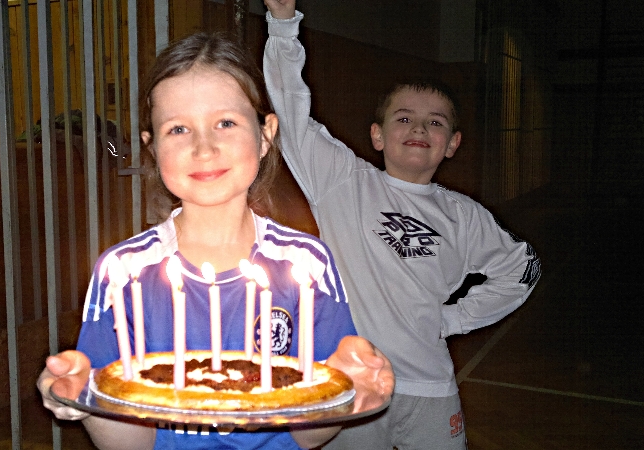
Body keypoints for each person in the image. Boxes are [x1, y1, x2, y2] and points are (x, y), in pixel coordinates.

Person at [37, 32, 395, 450]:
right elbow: (129, 443)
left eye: (225, 123)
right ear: (152, 147)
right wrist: (86, 398)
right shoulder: (123, 272)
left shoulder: (305, 264)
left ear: (266, 134)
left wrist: (346, 390)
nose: (203, 148)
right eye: (178, 129)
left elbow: (307, 435)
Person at [262, 1, 542, 449]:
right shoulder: (342, 182)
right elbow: (292, 115)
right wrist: (282, 25)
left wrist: (455, 317)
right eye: (404, 118)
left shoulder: (463, 215)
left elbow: (522, 268)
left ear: (452, 144)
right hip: (352, 385)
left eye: (435, 123)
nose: (419, 129)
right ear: (377, 134)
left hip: (430, 389)